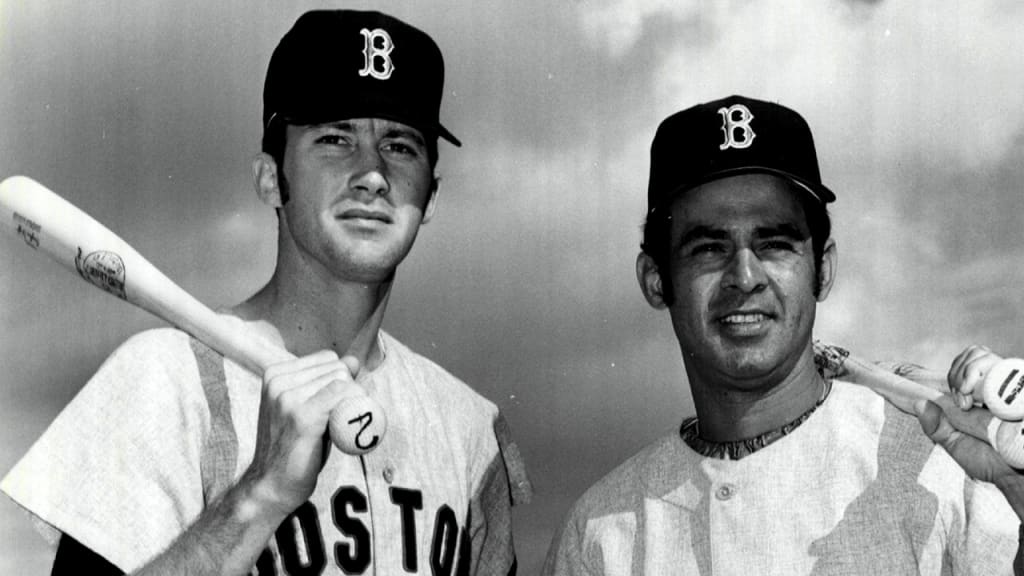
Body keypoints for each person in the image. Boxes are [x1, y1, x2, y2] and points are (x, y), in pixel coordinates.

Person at [1, 10, 530, 576]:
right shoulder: (163, 382)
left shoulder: (468, 426)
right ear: (270, 178)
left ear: (431, 196)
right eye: (335, 139)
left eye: (401, 146)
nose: (373, 174)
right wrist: (259, 496)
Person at [542, 94, 1022, 575]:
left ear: (823, 270)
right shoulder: (601, 535)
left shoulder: (946, 464)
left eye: (774, 243)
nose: (745, 276)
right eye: (708, 248)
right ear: (655, 280)